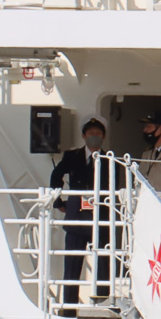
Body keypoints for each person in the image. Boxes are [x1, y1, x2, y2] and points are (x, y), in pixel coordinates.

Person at [47, 117, 116, 308]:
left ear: (103, 136)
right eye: (91, 133)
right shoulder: (72, 156)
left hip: (100, 216)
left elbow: (115, 185)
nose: (94, 137)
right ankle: (69, 306)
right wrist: (59, 202)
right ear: (84, 136)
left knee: (103, 264)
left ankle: (103, 305)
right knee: (72, 264)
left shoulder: (110, 158)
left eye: (98, 134)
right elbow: (56, 175)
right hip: (77, 216)